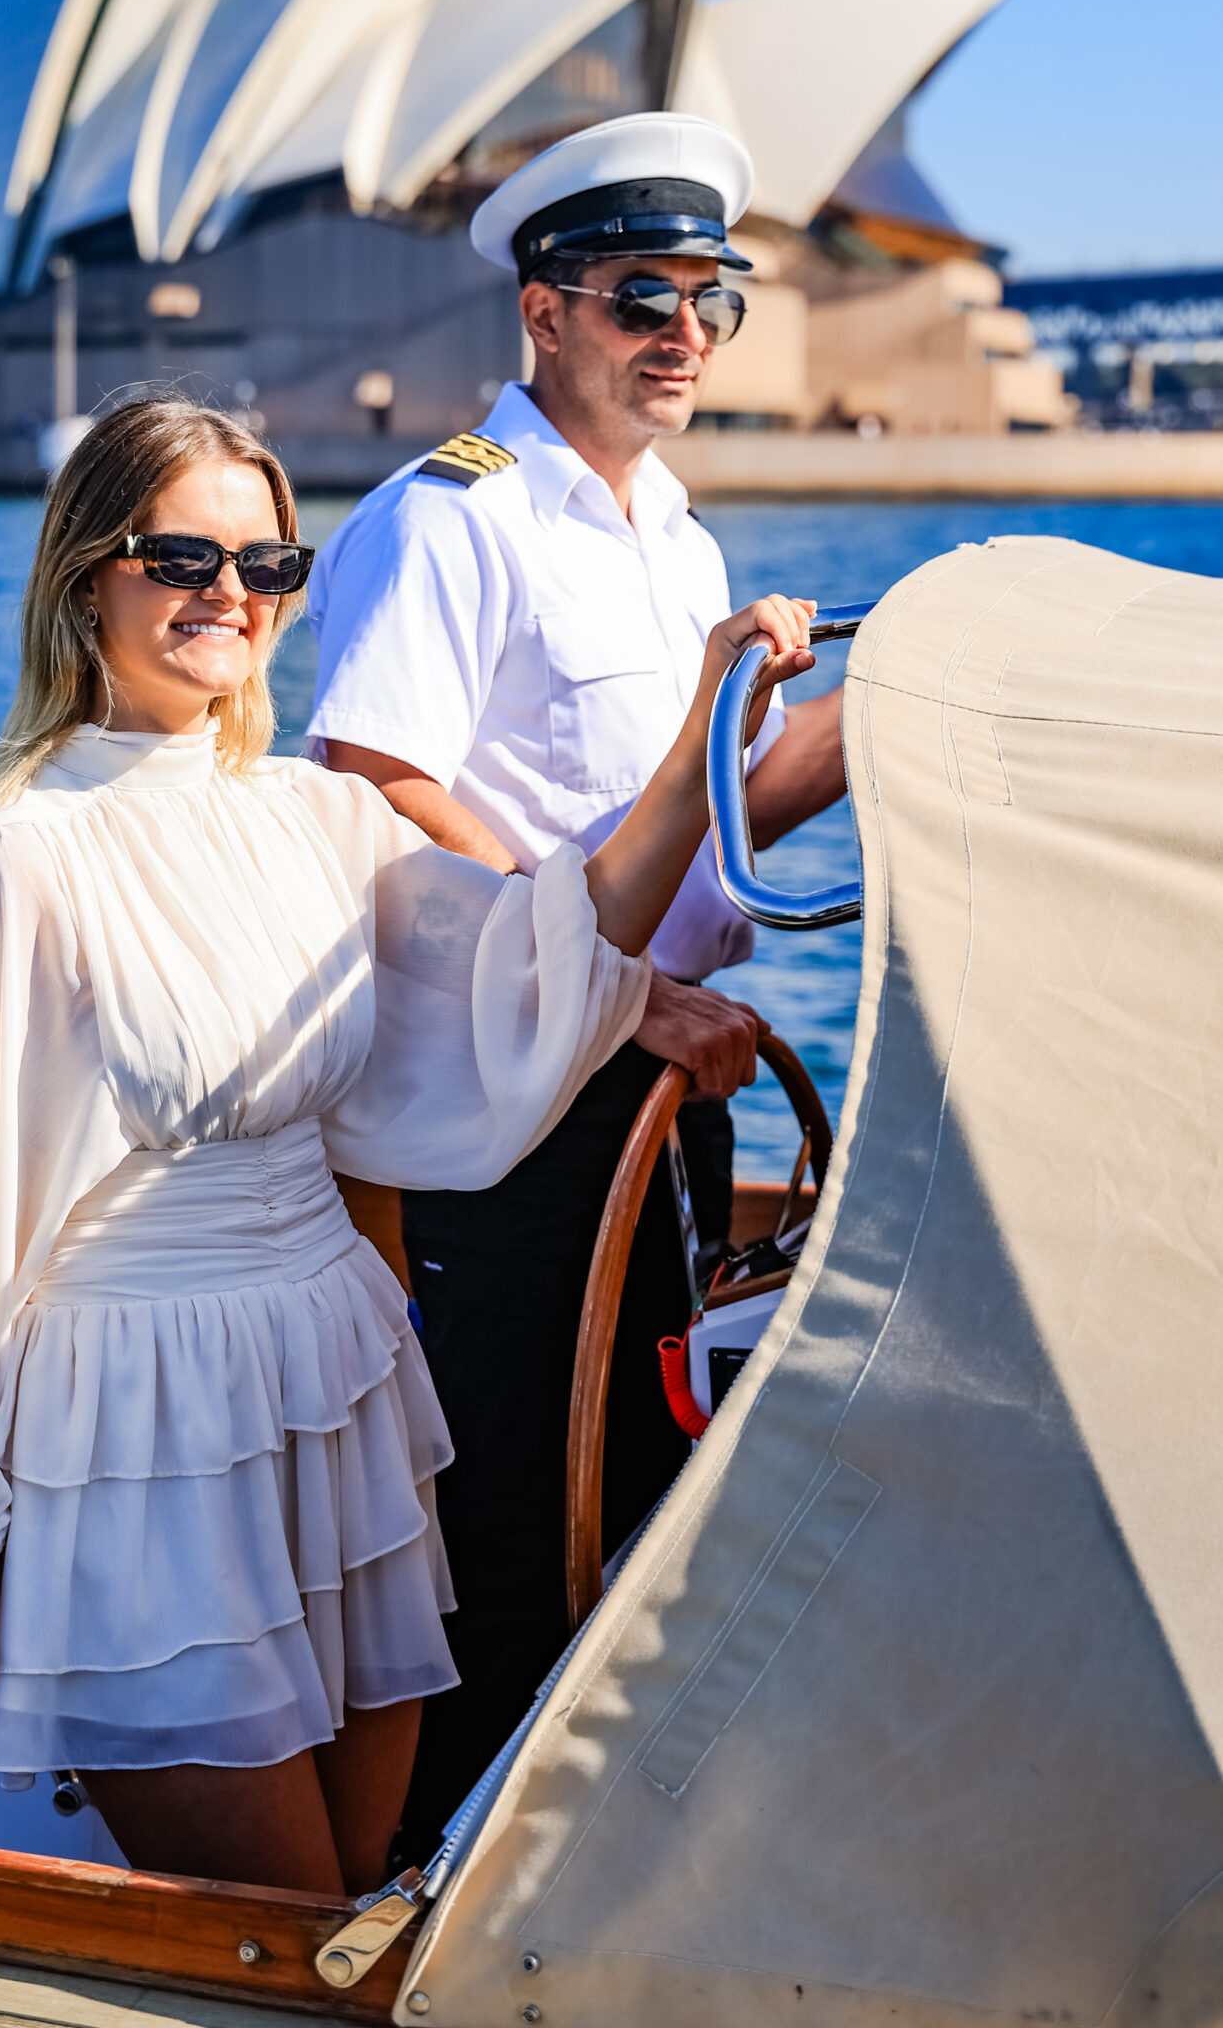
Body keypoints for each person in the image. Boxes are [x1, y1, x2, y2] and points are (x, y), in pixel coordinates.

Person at [0, 393, 814, 1899]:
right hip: (143, 1434)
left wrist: (706, 717)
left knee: (359, 1905)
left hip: (336, 1395)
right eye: (184, 556)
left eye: (268, 564)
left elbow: (541, 948)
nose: (230, 595)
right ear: (86, 570)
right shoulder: (15, 855)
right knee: (279, 1929)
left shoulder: (315, 818)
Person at [304, 111, 848, 1852]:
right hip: (518, 1099)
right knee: (511, 1531)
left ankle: (591, 1878)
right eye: (641, 295)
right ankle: (441, 1895)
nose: (682, 330)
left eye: (709, 297)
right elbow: (378, 790)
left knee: (641, 1490)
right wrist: (619, 1000)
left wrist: (894, 701)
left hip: (664, 1092)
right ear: (545, 313)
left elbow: (703, 818)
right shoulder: (449, 518)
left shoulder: (677, 543)